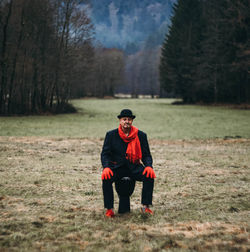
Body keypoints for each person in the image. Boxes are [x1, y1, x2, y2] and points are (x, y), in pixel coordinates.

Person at [101, 109, 156, 217]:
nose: (127, 121)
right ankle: (109, 209)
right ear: (120, 121)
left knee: (149, 176)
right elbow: (105, 154)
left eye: (129, 119)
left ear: (132, 121)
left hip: (134, 167)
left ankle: (145, 206)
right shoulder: (111, 135)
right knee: (106, 178)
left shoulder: (141, 135)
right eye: (124, 119)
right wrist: (106, 167)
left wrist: (149, 166)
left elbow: (146, 155)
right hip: (117, 167)